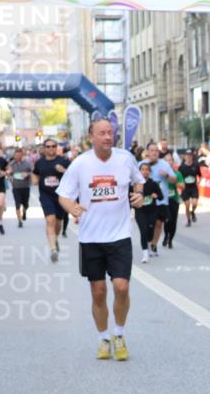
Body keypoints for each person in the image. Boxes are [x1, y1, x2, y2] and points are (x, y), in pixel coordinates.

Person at [56, 119, 145, 361]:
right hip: (91, 238)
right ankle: (103, 338)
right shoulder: (80, 164)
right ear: (91, 137)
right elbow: (63, 195)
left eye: (110, 132)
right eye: (102, 133)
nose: (107, 136)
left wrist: (138, 194)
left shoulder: (125, 158)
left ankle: (119, 333)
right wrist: (71, 207)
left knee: (122, 287)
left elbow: (139, 181)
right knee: (98, 291)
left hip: (119, 236)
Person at [32, 138, 70, 262]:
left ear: (56, 147)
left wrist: (63, 170)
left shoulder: (63, 161)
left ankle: (55, 239)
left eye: (53, 146)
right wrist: (34, 179)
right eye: (48, 146)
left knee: (58, 223)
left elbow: (74, 175)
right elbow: (35, 173)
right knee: (50, 220)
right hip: (45, 195)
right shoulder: (40, 162)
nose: (51, 148)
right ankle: (53, 249)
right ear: (44, 148)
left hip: (60, 196)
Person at [140, 143, 177, 257]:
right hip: (147, 201)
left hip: (161, 200)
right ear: (148, 152)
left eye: (156, 150)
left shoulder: (165, 165)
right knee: (147, 224)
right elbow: (134, 180)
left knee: (159, 224)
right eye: (152, 150)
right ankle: (148, 242)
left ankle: (154, 244)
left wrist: (166, 175)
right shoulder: (142, 164)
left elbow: (174, 180)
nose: (154, 153)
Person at [136, 162, 164, 263]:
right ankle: (145, 254)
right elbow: (129, 197)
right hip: (140, 211)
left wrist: (156, 195)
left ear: (150, 172)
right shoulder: (136, 184)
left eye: (147, 169)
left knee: (150, 231)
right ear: (139, 171)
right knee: (143, 230)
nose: (145, 171)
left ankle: (149, 242)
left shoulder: (153, 184)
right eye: (142, 169)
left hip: (152, 211)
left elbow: (161, 197)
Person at [9, 147, 33, 227]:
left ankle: (24, 211)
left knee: (26, 204)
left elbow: (32, 172)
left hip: (25, 186)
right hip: (16, 187)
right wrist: (10, 178)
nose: (17, 157)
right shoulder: (11, 164)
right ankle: (19, 221)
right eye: (16, 155)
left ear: (22, 155)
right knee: (17, 204)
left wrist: (27, 174)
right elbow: (9, 174)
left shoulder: (27, 163)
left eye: (19, 155)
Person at [178, 148, 200, 226]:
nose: (189, 157)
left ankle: (193, 212)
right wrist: (180, 185)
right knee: (187, 204)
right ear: (185, 157)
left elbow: (199, 175)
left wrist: (199, 181)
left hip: (193, 187)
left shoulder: (196, 165)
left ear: (192, 156)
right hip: (185, 188)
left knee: (194, 203)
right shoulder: (182, 167)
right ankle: (188, 220)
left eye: (190, 155)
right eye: (187, 155)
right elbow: (179, 177)